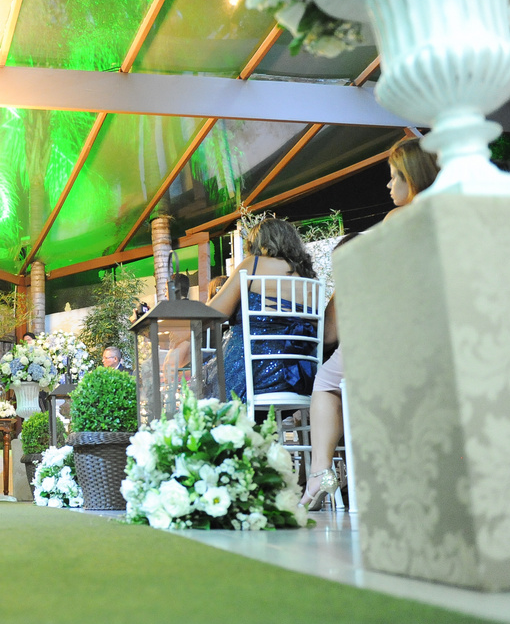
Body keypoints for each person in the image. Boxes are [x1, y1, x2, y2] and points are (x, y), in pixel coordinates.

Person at [301, 140, 439, 510]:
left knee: (325, 382)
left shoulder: (399, 219)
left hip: (390, 335)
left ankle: (319, 474)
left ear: (413, 177)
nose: (389, 185)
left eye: (395, 177)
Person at [171, 217, 319, 403]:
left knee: (201, 390)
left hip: (253, 372)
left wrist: (184, 332)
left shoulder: (254, 265)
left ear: (259, 243)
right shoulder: (309, 280)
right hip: (299, 376)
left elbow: (216, 312)